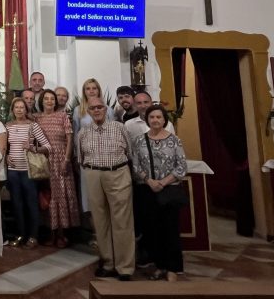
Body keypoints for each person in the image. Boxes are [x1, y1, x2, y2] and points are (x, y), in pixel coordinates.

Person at [78, 97, 135, 281]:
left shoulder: (119, 128)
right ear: (88, 111)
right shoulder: (83, 133)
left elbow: (130, 153)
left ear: (106, 109)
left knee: (122, 220)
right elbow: (80, 157)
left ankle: (125, 267)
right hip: (94, 175)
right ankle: (108, 262)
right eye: (92, 108)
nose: (96, 110)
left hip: (117, 173)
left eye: (100, 107)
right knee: (100, 221)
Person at [130, 105, 187, 282]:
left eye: (159, 117)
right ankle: (160, 265)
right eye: (152, 117)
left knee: (170, 230)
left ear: (164, 120)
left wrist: (163, 182)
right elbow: (136, 165)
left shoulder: (174, 140)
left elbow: (182, 166)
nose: (155, 120)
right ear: (147, 120)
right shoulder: (139, 140)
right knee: (152, 231)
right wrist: (149, 181)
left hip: (168, 190)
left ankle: (173, 268)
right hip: (147, 191)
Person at [5, 98, 52, 248]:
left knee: (31, 203)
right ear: (12, 110)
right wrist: (6, 157)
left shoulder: (33, 126)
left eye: (22, 107)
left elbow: (47, 146)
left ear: (26, 110)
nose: (19, 110)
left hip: (28, 170)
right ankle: (20, 235)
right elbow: (5, 147)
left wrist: (34, 149)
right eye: (16, 107)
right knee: (16, 204)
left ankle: (33, 236)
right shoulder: (8, 126)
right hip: (13, 171)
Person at [35, 90, 80, 248]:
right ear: (41, 101)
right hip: (44, 160)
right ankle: (50, 233)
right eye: (46, 99)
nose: (49, 101)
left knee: (61, 196)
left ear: (55, 102)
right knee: (48, 197)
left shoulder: (62, 116)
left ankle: (62, 235)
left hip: (61, 158)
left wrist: (67, 160)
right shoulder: (37, 118)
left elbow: (70, 139)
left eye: (52, 99)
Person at [72, 78, 115, 212]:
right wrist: (77, 156)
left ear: (98, 90)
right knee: (89, 190)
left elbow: (113, 131)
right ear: (84, 91)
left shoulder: (108, 110)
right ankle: (92, 224)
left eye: (94, 88)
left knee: (106, 190)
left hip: (107, 156)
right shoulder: (78, 110)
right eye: (88, 88)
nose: (91, 91)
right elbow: (76, 135)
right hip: (87, 157)